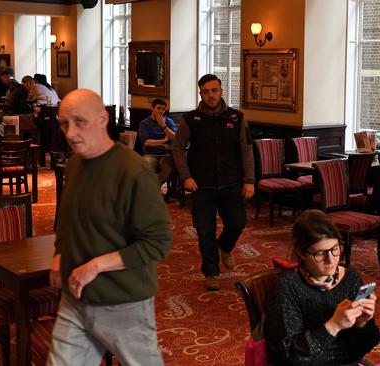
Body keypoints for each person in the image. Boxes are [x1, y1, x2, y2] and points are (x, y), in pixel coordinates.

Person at [47, 89, 172, 365]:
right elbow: (68, 220)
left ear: (103, 119)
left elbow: (158, 242)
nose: (70, 133)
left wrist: (95, 266)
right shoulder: (75, 164)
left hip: (122, 302)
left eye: (80, 122)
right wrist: (60, 254)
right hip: (75, 297)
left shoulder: (134, 172)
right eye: (64, 123)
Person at [172, 74, 255, 291]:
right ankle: (211, 272)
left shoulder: (237, 118)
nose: (210, 95)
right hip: (201, 186)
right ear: (200, 93)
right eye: (206, 91)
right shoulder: (190, 120)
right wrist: (186, 176)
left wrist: (249, 180)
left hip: (232, 184)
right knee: (204, 230)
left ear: (221, 90)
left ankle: (225, 247)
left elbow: (247, 151)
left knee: (237, 223)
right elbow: (177, 148)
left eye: (214, 90)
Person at [264, 210, 380, 365]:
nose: (331, 260)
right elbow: (287, 355)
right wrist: (333, 326)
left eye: (335, 249)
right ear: (302, 253)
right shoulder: (287, 287)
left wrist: (362, 324)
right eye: (320, 253)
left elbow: (364, 346)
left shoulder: (350, 278)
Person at [139, 97, 177, 185]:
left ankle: (154, 189)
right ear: (152, 108)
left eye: (163, 109)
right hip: (150, 154)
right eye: (158, 108)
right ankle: (150, 191)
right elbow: (146, 142)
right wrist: (163, 140)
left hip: (166, 154)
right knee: (146, 167)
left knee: (168, 168)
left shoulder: (169, 121)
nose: (161, 111)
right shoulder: (145, 123)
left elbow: (174, 138)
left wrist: (163, 125)